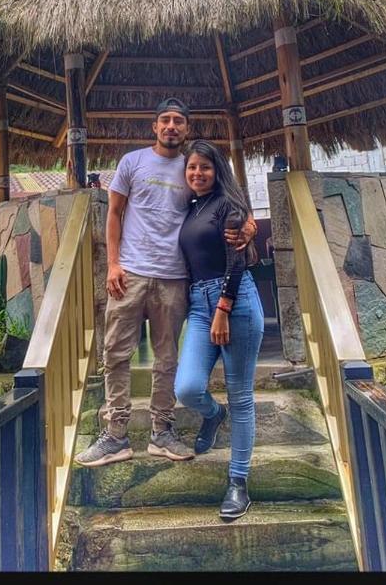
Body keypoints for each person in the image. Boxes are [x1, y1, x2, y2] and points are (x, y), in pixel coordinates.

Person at [75, 100, 256, 467]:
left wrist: (249, 222)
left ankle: (162, 431)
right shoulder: (132, 162)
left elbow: (227, 196)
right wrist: (112, 264)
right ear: (154, 126)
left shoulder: (193, 167)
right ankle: (115, 435)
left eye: (179, 121)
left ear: (186, 129)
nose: (171, 126)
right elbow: (113, 212)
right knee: (115, 352)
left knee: (167, 357)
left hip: (175, 277)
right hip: (131, 272)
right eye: (165, 120)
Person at [174, 139, 265, 519]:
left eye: (205, 168)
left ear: (218, 170)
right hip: (199, 304)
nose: (197, 173)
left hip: (235, 302)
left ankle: (238, 483)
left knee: (241, 395)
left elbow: (238, 261)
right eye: (192, 167)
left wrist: (223, 309)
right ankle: (213, 414)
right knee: (188, 387)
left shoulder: (229, 207)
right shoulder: (192, 207)